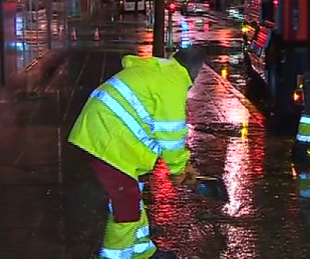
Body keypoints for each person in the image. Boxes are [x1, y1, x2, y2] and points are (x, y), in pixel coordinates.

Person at [68, 48, 206, 259]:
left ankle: (142, 251)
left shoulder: (160, 71)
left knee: (133, 197)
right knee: (126, 207)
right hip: (107, 142)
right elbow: (171, 133)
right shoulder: (173, 83)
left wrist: (182, 164)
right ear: (194, 72)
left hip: (104, 134)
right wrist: (178, 168)